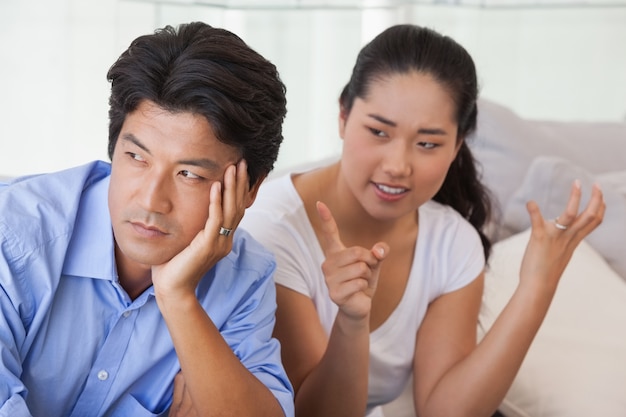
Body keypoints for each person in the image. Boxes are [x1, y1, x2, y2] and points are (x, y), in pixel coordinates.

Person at [239, 24, 605, 417]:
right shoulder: (269, 231)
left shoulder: (451, 241)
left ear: (458, 145)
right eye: (379, 132)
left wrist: (536, 287)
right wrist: (352, 320)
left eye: (428, 143)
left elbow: (446, 411)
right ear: (343, 116)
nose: (398, 166)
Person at [0, 22, 293, 417]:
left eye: (189, 174)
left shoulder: (244, 279)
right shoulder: (13, 237)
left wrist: (177, 297)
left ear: (250, 189)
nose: (151, 200)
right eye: (136, 157)